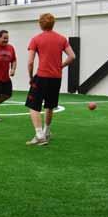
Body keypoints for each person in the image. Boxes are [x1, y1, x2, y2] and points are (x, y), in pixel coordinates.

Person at [25, 13, 75, 145]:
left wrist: (31, 77)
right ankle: (46, 132)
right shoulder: (62, 39)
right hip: (56, 78)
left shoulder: (36, 39)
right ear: (53, 23)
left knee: (33, 106)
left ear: (40, 24)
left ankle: (39, 134)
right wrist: (61, 66)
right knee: (50, 105)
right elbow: (72, 56)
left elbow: (30, 62)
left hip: (41, 77)